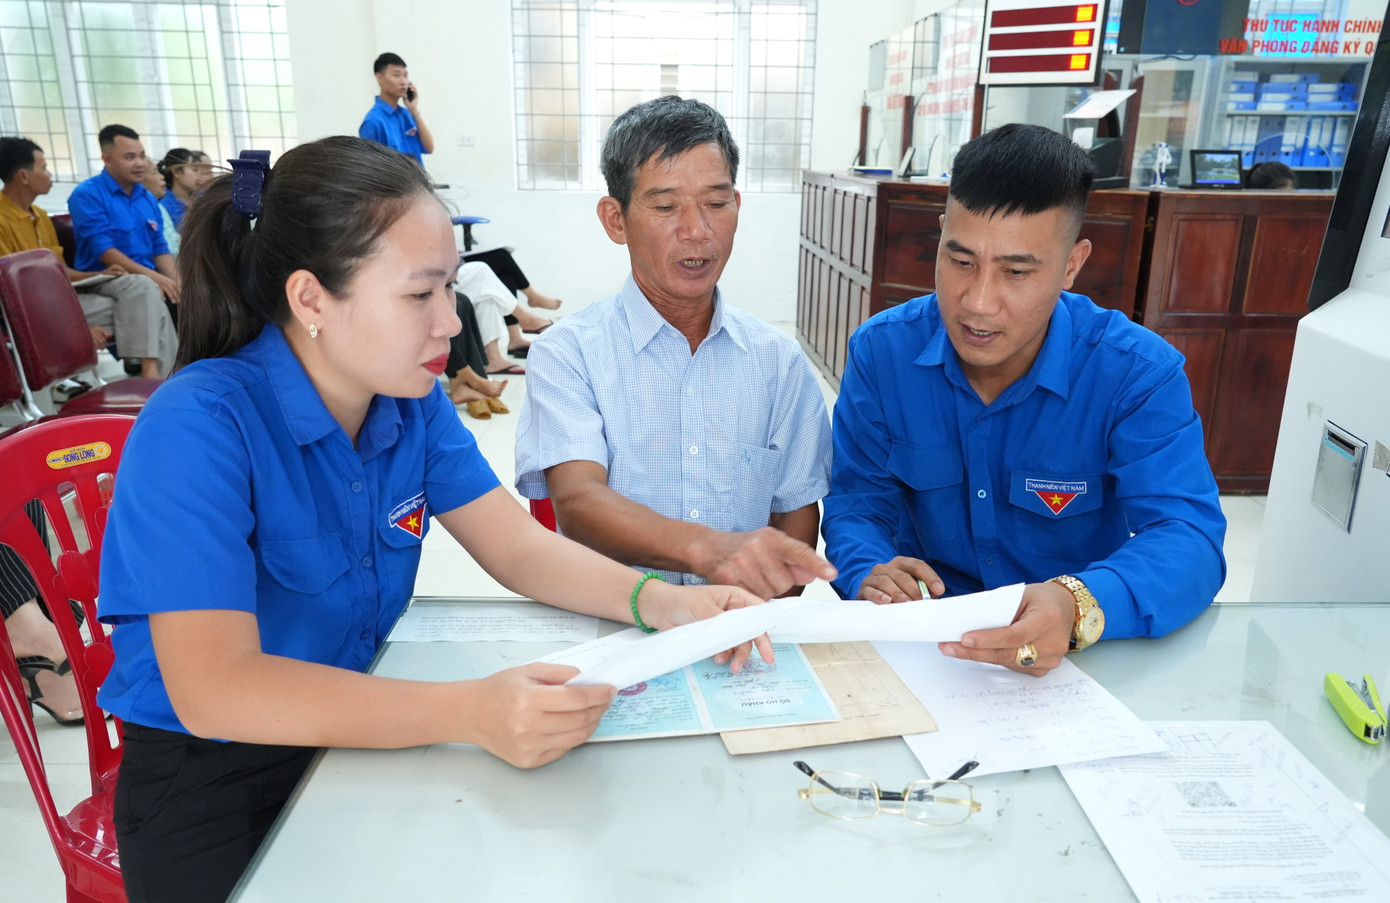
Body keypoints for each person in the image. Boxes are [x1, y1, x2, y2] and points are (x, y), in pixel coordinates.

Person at [94, 135, 769, 903]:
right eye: (421, 295)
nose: (451, 325)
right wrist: (469, 711)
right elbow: (216, 687)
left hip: (354, 734)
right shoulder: (200, 424)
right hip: (214, 779)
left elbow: (517, 546)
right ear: (311, 299)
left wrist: (666, 600)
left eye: (450, 288)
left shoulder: (406, 404)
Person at [821, 123, 1227, 676]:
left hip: (1074, 656)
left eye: (1015, 271)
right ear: (940, 236)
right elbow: (857, 503)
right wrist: (868, 567)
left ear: (1071, 265)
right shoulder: (883, 353)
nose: (978, 303)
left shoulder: (1134, 373)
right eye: (960, 262)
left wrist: (1077, 603)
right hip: (927, 644)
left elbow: (1189, 538)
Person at [515, 96, 836, 600]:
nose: (697, 231)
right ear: (615, 220)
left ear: (737, 205)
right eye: (665, 206)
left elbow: (795, 511)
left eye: (716, 202)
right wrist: (708, 550)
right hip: (612, 625)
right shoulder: (568, 353)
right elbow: (578, 503)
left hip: (739, 635)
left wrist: (760, 611)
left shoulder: (778, 362)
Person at [0, 136, 176, 378]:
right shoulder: (3, 219)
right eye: (44, 168)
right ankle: (157, 379)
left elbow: (59, 271)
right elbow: (11, 292)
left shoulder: (39, 216)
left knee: (144, 288)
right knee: (151, 302)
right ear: (24, 176)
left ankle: (154, 376)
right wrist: (77, 326)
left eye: (141, 156)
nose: (50, 174)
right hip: (28, 310)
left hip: (63, 298)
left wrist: (97, 275)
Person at [67, 124, 181, 307]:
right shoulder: (87, 195)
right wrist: (154, 277)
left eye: (142, 156)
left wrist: (179, 284)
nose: (139, 163)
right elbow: (105, 251)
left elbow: (160, 249)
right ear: (107, 159)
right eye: (130, 157)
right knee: (145, 288)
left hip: (146, 276)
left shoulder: (146, 198)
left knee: (187, 295)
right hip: (106, 279)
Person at [358, 52, 433, 167]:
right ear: (379, 77)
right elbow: (370, 168)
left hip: (416, 182)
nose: (403, 82)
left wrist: (413, 109)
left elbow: (429, 147)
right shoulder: (374, 121)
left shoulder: (406, 114)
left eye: (405, 76)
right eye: (396, 75)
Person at [155, 148, 212, 230]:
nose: (199, 175)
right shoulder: (164, 207)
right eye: (194, 170)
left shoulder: (203, 198)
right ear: (177, 172)